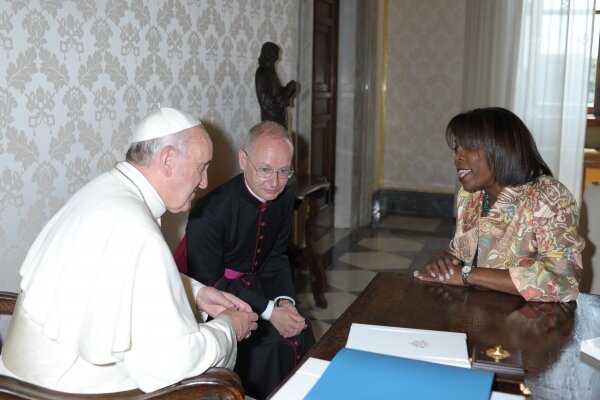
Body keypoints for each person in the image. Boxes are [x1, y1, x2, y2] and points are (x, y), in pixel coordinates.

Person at [0, 107, 258, 394]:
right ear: (168, 160)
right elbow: (171, 363)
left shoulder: (106, 190)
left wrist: (195, 293)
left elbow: (115, 282)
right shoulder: (135, 228)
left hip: (19, 374)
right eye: (202, 167)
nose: (205, 182)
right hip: (60, 389)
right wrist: (228, 330)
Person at [180, 120, 315, 399]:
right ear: (244, 159)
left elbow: (276, 257)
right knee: (271, 346)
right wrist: (269, 311)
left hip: (262, 286)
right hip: (220, 303)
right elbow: (211, 282)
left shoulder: (285, 198)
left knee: (300, 327)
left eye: (283, 172)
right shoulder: (209, 212)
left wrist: (284, 301)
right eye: (265, 170)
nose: (274, 182)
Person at [414, 107, 585, 302]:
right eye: (457, 149)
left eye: (468, 148)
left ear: (501, 148)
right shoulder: (473, 196)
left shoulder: (550, 197)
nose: (457, 157)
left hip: (532, 322)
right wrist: (446, 260)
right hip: (477, 313)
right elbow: (463, 255)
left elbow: (564, 283)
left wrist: (467, 274)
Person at [255, 41, 297, 129]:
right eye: (275, 54)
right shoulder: (262, 72)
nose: (277, 56)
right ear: (269, 54)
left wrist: (289, 88)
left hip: (278, 121)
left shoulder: (270, 72)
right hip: (271, 124)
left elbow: (278, 93)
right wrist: (285, 95)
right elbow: (267, 104)